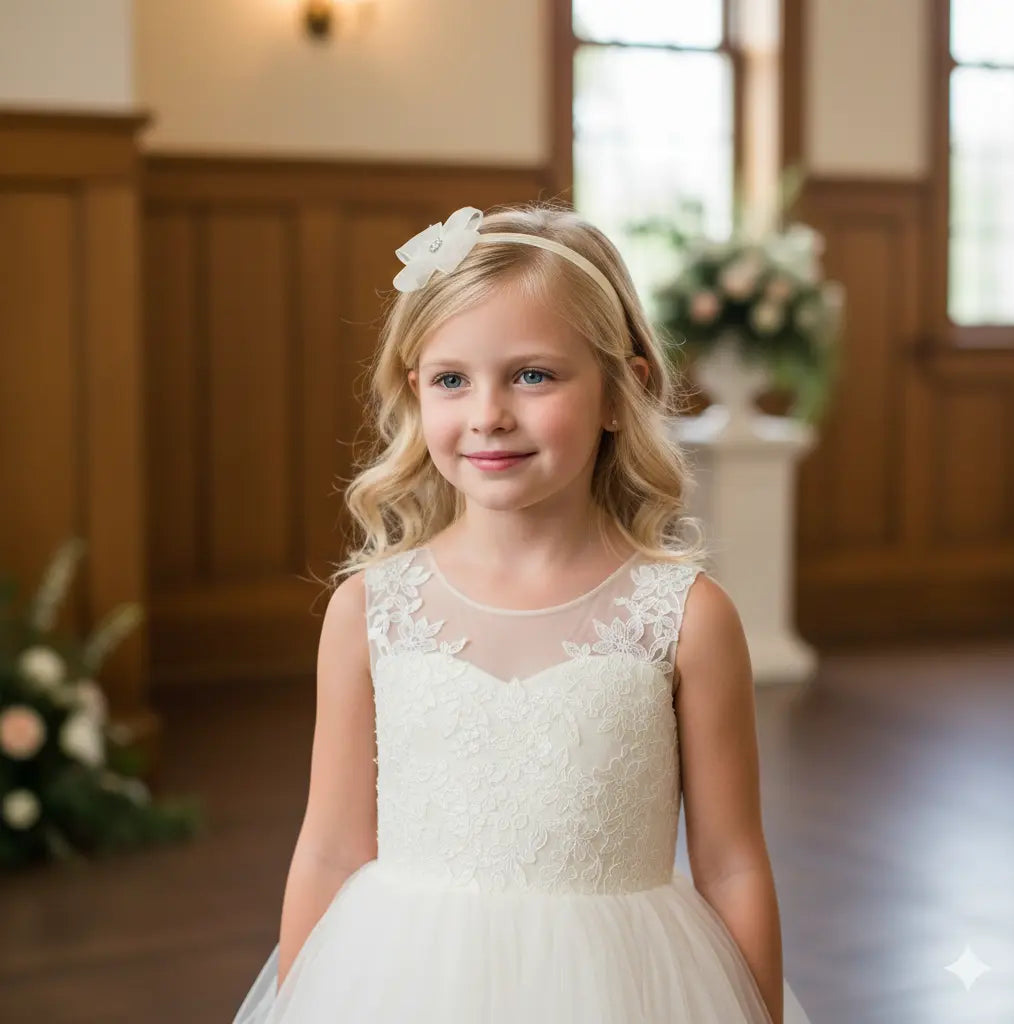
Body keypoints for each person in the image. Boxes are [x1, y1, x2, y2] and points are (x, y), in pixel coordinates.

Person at [232, 202, 814, 1023]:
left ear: (619, 391)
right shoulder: (370, 609)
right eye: (452, 380)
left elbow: (732, 865)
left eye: (533, 375)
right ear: (415, 391)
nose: (488, 415)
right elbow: (329, 850)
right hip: (404, 984)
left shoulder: (686, 618)